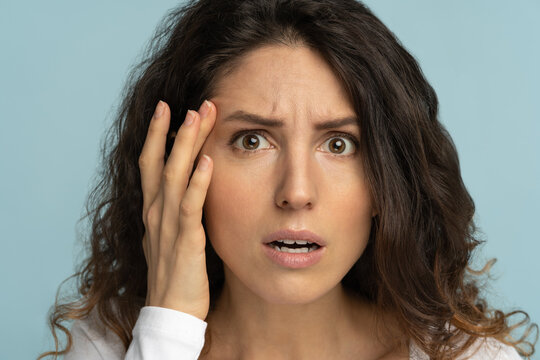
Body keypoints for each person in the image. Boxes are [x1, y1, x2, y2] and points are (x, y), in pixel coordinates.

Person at [38, 0, 537, 359]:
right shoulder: (111, 348)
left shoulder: (471, 358)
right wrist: (167, 333)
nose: (297, 192)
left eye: (339, 145)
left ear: (389, 183)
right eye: (253, 141)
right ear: (178, 172)